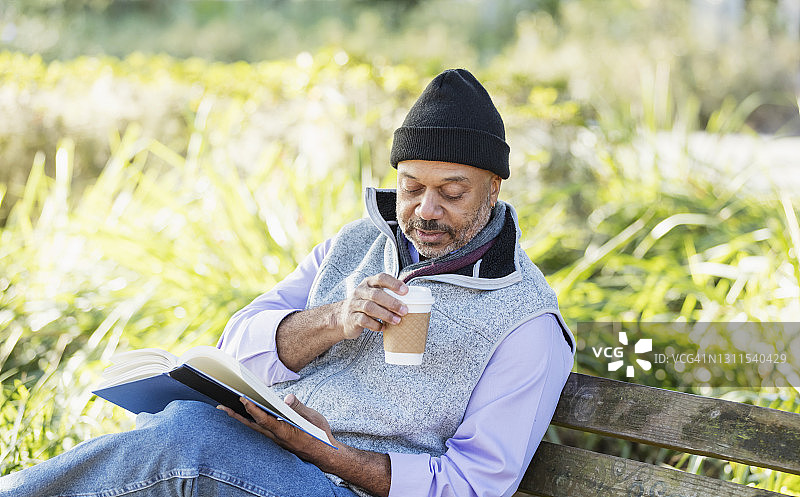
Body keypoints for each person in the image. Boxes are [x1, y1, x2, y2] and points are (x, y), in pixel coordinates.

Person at [0, 68, 574, 497]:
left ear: (494, 189)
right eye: (410, 187)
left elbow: (474, 486)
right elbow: (237, 347)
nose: (425, 211)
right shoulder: (355, 244)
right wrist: (332, 321)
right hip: (267, 457)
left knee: (191, 446)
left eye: (452, 193)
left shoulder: (525, 324)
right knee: (188, 423)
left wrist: (330, 455)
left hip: (345, 487)